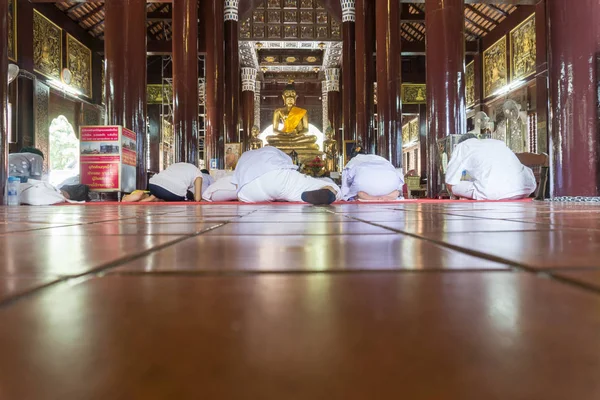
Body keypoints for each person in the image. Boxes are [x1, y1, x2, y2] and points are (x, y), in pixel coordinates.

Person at [232, 146, 341, 205]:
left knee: (279, 191)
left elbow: (237, 190)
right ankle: (329, 191)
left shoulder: (244, 156)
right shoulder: (271, 149)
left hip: (249, 190)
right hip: (277, 177)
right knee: (328, 185)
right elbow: (288, 165)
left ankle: (279, 195)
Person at [445, 133, 536, 200]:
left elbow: (450, 181)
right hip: (525, 188)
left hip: (492, 192)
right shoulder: (497, 142)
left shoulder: (462, 146)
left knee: (453, 185)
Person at [123, 163, 206, 202]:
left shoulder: (177, 165)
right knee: (188, 195)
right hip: (172, 191)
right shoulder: (198, 172)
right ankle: (147, 198)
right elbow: (198, 198)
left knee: (160, 194)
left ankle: (138, 200)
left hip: (153, 184)